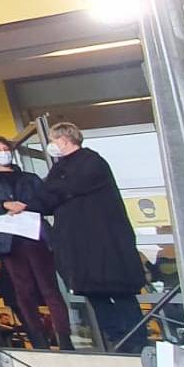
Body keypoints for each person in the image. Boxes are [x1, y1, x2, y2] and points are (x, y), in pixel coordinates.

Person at [30, 122, 147, 353]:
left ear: (64, 140)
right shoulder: (60, 168)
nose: (52, 145)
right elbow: (45, 198)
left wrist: (53, 192)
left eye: (53, 140)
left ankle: (136, 340)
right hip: (79, 247)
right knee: (95, 294)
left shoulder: (91, 161)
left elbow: (65, 188)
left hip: (104, 243)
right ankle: (117, 340)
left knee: (120, 293)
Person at [0, 136, 73, 350]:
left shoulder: (30, 178)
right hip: (8, 240)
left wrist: (25, 205)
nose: (3, 152)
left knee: (49, 287)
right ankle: (37, 338)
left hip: (35, 236)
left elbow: (48, 202)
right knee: (22, 289)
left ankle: (64, 337)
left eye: (5, 148)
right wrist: (3, 205)